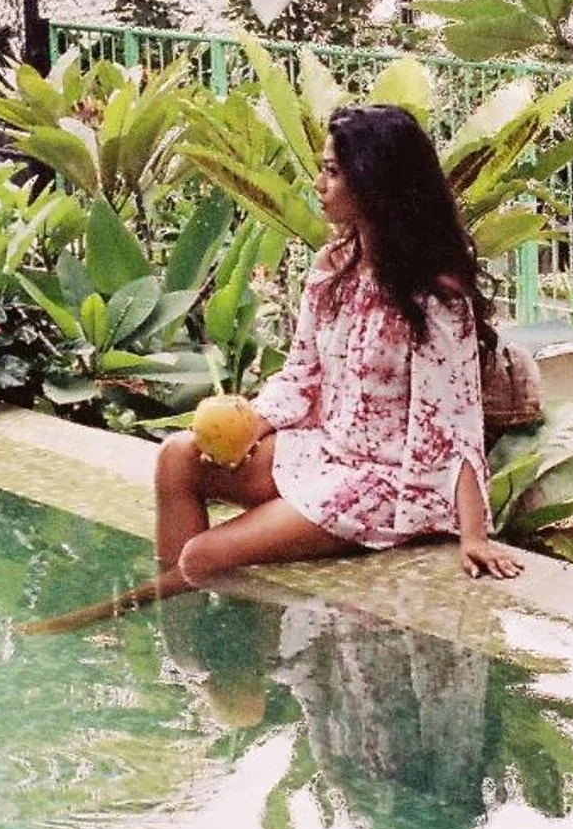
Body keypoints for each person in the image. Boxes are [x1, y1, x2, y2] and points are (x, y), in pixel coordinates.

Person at [154, 103, 523, 597]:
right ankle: (176, 620)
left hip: (381, 484)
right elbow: (302, 374)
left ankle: (219, 650)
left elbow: (454, 425)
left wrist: (474, 534)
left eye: (332, 171)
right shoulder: (333, 266)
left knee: (203, 558)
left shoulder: (435, 295)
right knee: (176, 456)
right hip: (322, 453)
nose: (318, 184)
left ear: (374, 182)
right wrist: (249, 427)